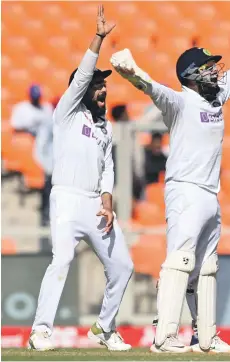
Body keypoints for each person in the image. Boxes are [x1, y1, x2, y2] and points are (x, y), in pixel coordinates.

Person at [110, 34, 230, 353]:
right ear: (192, 74)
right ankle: (164, 337)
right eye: (208, 68)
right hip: (184, 191)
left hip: (210, 194)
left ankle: (205, 338)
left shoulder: (218, 96)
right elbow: (151, 88)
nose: (215, 73)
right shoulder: (179, 102)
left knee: (207, 267)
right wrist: (131, 71)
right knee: (180, 261)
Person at [28, 6, 133, 352]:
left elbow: (109, 167)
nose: (102, 91)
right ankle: (40, 332)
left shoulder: (105, 126)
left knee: (123, 265)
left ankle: (104, 328)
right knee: (62, 259)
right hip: (67, 199)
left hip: (94, 204)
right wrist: (99, 38)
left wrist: (107, 197)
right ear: (81, 89)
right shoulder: (67, 114)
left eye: (104, 86)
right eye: (97, 86)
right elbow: (85, 72)